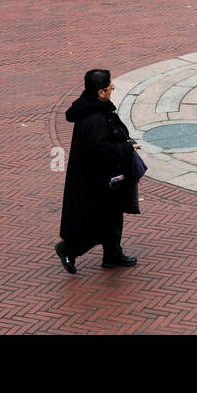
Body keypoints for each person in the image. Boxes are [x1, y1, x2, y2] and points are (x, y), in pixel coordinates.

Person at [54, 69, 143, 274]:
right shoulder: (96, 118)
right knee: (100, 219)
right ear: (101, 92)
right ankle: (69, 249)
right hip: (99, 179)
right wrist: (127, 148)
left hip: (97, 176)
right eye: (110, 88)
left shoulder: (89, 108)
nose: (112, 90)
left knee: (112, 216)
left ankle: (112, 254)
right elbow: (103, 151)